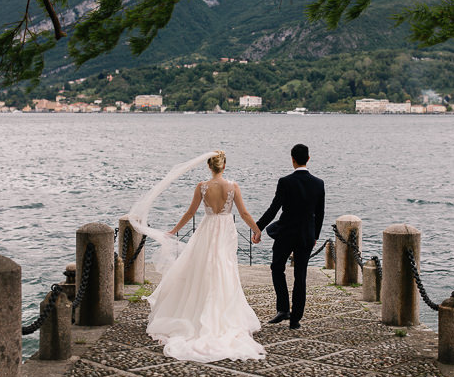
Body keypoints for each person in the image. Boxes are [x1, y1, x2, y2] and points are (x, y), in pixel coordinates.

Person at [127, 150, 265, 363]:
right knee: (224, 267)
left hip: (208, 229)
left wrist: (173, 231)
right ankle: (223, 313)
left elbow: (190, 213)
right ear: (224, 166)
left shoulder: (202, 187)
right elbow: (244, 213)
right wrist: (256, 230)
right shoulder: (233, 186)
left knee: (204, 266)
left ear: (209, 166)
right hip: (225, 228)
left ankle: (196, 311)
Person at [254, 144, 325, 330]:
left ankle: (283, 308)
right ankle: (295, 319)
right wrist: (315, 235)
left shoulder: (285, 182)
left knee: (277, 268)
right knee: (300, 275)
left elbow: (273, 208)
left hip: (285, 233)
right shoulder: (319, 183)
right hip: (307, 235)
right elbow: (320, 213)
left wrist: (258, 227)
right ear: (308, 159)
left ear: (292, 159)